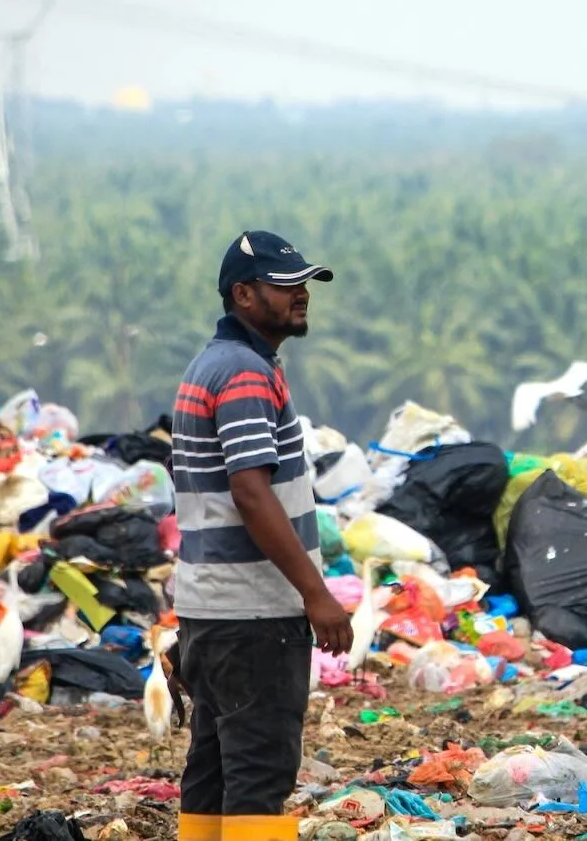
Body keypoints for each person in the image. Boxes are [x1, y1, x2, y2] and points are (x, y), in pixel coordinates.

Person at [171, 230, 354, 841]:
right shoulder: (245, 373)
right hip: (251, 611)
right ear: (243, 295)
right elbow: (252, 493)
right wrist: (315, 593)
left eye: (303, 283)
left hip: (209, 606)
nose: (300, 294)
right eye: (284, 285)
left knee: (215, 764)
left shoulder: (217, 364)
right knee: (259, 770)